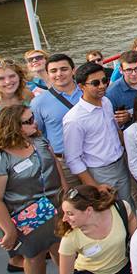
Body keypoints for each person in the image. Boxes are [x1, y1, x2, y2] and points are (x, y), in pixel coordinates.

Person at [0, 105, 65, 274]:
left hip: (55, 206)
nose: (34, 123)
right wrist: (9, 231)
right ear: (13, 127)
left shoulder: (39, 141)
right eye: (28, 121)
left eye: (32, 118)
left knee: (61, 248)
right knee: (35, 257)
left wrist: (67, 194)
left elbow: (55, 167)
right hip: (27, 216)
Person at [62, 62, 131, 206]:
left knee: (127, 204)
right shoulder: (74, 119)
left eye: (104, 80)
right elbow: (73, 159)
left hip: (120, 163)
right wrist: (94, 185)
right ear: (81, 86)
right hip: (100, 172)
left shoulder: (106, 102)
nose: (102, 85)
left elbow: (115, 130)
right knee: (109, 209)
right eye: (95, 83)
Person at [31, 54, 83, 186]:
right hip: (64, 163)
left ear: (73, 70)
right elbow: (38, 133)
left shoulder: (87, 92)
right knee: (76, 201)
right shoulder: (38, 103)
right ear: (48, 74)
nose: (59, 74)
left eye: (64, 69)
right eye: (53, 71)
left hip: (94, 155)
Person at [106, 50, 137, 130]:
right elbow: (111, 124)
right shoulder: (111, 94)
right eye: (128, 70)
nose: (134, 73)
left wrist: (131, 115)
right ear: (121, 70)